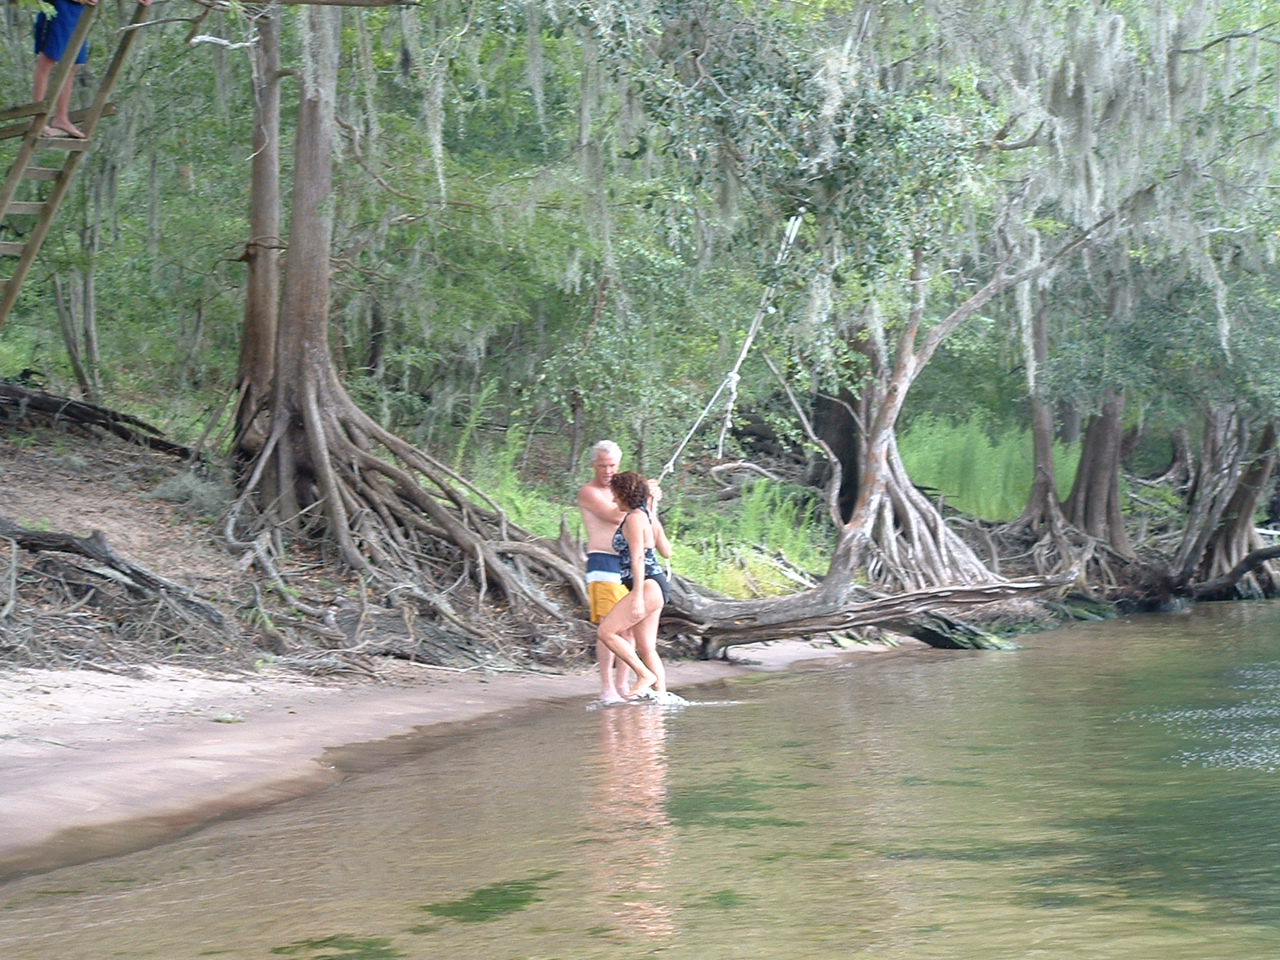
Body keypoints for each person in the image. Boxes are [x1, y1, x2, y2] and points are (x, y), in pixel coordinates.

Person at [597, 470, 673, 701]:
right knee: (647, 647)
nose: (613, 499)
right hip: (658, 585)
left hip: (647, 586)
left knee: (606, 632)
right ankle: (662, 700)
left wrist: (638, 596)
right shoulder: (647, 517)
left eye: (615, 494)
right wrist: (653, 507)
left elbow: (638, 558)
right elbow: (667, 552)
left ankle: (643, 675)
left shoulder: (633, 518)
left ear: (625, 493)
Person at [33, 0, 150, 140]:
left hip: (79, 12)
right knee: (47, 62)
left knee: (73, 64)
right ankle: (38, 120)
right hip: (58, 7)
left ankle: (61, 118)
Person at [578, 440, 635, 702]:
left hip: (626, 564)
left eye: (612, 465)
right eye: (602, 466)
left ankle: (623, 685)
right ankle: (607, 687)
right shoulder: (589, 492)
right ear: (594, 465)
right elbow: (615, 516)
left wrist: (648, 497)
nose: (608, 471)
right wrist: (642, 497)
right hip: (603, 563)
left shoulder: (624, 491)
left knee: (629, 629)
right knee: (608, 628)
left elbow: (641, 519)